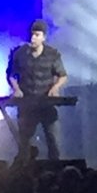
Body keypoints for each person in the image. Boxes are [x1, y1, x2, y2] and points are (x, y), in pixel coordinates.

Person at [6, 20, 68, 161]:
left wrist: (55, 87)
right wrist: (16, 89)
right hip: (27, 104)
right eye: (31, 34)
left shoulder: (52, 54)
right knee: (24, 143)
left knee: (53, 142)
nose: (33, 38)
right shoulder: (20, 53)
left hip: (46, 104)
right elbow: (11, 75)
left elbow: (63, 75)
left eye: (37, 35)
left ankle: (55, 169)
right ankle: (25, 169)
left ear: (43, 37)